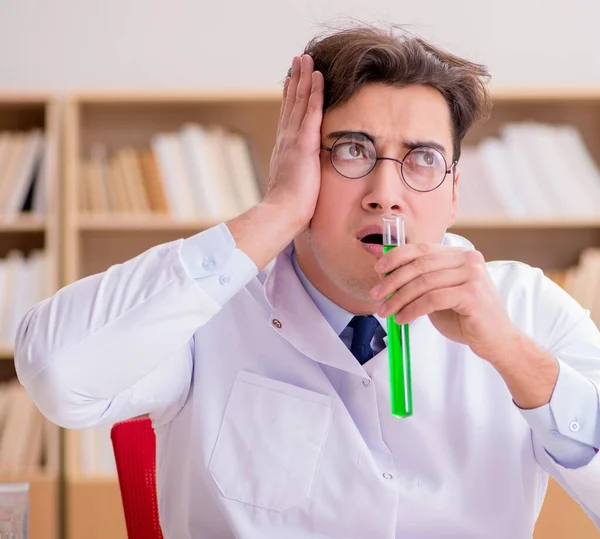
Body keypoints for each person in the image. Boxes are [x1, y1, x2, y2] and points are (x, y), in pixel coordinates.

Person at [14, 23, 600, 539]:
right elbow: (58, 373)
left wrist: (513, 357)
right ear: (299, 166)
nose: (385, 194)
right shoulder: (208, 312)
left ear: (452, 191)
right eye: (351, 150)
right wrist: (275, 213)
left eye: (421, 159)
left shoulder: (526, 309)